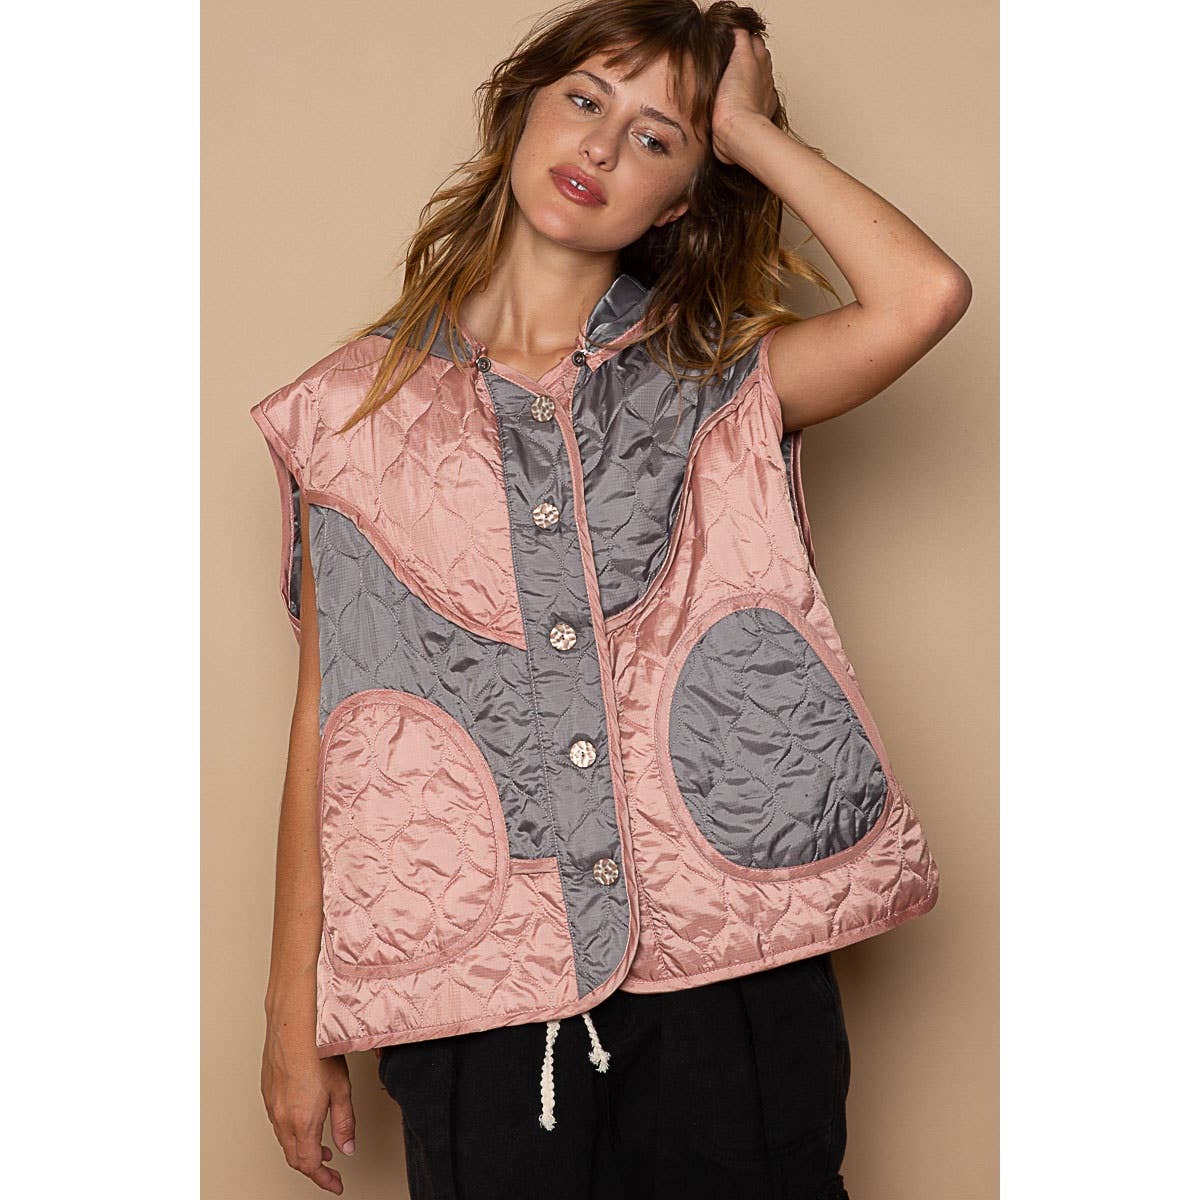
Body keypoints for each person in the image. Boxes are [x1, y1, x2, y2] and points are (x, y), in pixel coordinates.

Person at [255, 2, 970, 1197]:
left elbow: (924, 295)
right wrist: (295, 1013)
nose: (600, 145)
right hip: (479, 986)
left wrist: (747, 129)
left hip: (730, 970)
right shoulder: (342, 417)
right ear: (520, 109)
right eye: (586, 98)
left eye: (655, 137)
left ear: (684, 196)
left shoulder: (723, 379)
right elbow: (331, 719)